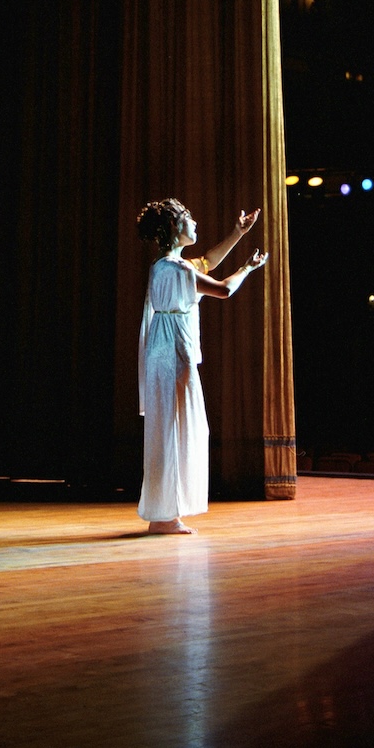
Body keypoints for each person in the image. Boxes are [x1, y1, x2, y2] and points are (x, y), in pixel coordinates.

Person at [135, 199, 268, 534]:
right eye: (187, 218)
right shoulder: (174, 269)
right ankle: (163, 515)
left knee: (174, 427)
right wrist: (247, 269)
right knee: (173, 428)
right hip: (170, 354)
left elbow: (207, 261)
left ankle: (166, 513)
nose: (194, 221)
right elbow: (222, 289)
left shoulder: (167, 266)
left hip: (168, 350)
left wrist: (238, 233)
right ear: (173, 229)